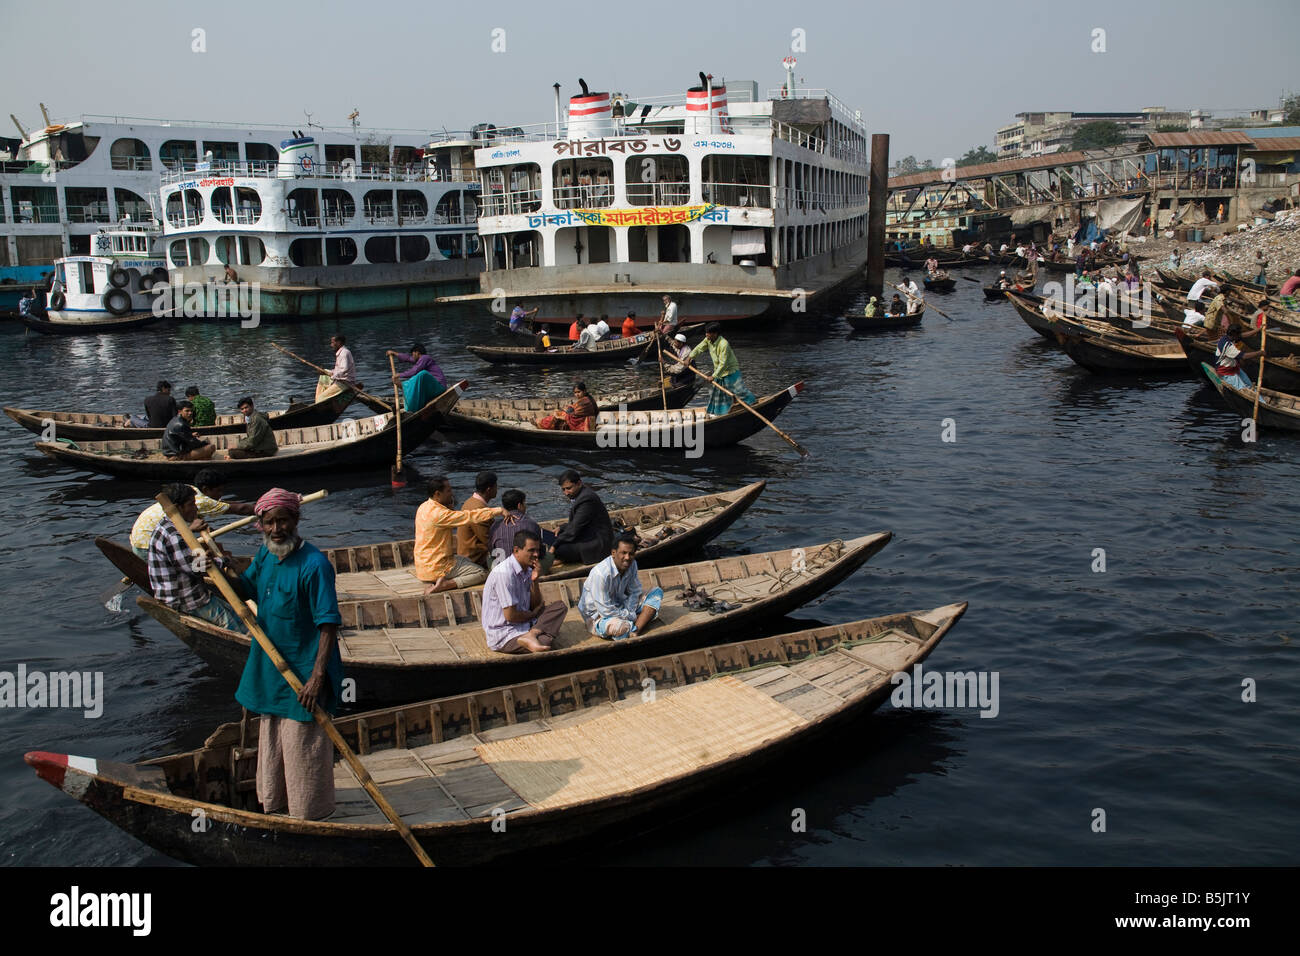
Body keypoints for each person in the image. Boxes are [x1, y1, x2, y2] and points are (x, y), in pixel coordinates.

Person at [229, 489, 344, 821]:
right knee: (274, 736)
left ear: (296, 520)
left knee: (302, 744)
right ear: (261, 525)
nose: (276, 528)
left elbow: (328, 624)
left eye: (282, 521)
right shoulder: (265, 555)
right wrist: (220, 570)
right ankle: (276, 803)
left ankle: (311, 812)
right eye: (269, 522)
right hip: (271, 664)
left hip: (304, 670)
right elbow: (246, 589)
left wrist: (317, 677)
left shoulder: (315, 565)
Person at [146, 483, 245, 631]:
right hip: (185, 600)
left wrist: (208, 556)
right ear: (178, 508)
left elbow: (190, 562)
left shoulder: (166, 525)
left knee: (238, 615)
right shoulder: (173, 535)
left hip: (187, 593)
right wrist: (223, 561)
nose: (196, 508)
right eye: (191, 504)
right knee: (240, 628)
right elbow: (196, 568)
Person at [130, 469, 255, 559]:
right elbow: (241, 509)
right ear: (205, 489)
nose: (220, 495)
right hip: (147, 548)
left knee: (212, 543)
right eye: (219, 491)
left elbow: (220, 505)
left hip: (138, 541)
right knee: (206, 556)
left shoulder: (190, 491)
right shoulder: (199, 501)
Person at [481, 530, 568, 654]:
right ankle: (534, 636)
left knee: (560, 607)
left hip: (525, 625)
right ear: (516, 550)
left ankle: (531, 635)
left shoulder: (527, 570)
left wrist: (535, 580)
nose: (536, 554)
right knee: (545, 642)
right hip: (505, 635)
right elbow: (511, 616)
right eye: (531, 550)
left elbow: (535, 605)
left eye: (537, 550)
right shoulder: (504, 574)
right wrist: (533, 614)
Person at [414, 476, 506, 593]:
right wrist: (498, 510)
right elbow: (469, 517)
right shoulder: (440, 514)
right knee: (482, 573)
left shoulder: (423, 507)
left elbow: (447, 523)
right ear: (437, 494)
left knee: (466, 560)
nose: (451, 494)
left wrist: (450, 509)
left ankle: (442, 579)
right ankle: (446, 584)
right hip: (438, 567)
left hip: (423, 566)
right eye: (448, 491)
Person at [577, 534, 663, 640]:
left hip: (620, 605)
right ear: (613, 553)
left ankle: (635, 630)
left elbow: (634, 591)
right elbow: (606, 611)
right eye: (623, 553)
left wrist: (630, 612)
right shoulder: (601, 574)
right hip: (597, 616)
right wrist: (631, 616)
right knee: (620, 626)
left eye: (631, 554)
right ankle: (635, 624)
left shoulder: (632, 564)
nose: (627, 558)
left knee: (656, 592)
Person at [688, 322, 756, 415]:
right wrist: (690, 357)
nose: (706, 335)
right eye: (706, 333)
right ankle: (722, 412)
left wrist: (714, 376)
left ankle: (752, 403)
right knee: (719, 395)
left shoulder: (724, 344)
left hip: (729, 370)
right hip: (719, 371)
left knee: (739, 390)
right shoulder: (708, 340)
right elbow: (699, 348)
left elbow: (723, 364)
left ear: (715, 334)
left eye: (708, 333)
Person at [550, 470, 614, 568]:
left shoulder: (587, 499)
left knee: (559, 549)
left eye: (568, 488)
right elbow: (580, 521)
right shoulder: (581, 495)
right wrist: (562, 527)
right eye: (563, 490)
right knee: (554, 539)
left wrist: (555, 545)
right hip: (588, 533)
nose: (566, 493)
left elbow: (574, 529)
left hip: (598, 542)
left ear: (579, 483)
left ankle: (562, 558)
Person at [489, 489, 544, 569]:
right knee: (549, 556)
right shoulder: (531, 524)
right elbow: (539, 552)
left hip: (502, 569)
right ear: (519, 505)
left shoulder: (495, 526)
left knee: (489, 559)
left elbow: (492, 551)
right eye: (524, 503)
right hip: (527, 568)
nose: (525, 506)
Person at [457, 471, 498, 569]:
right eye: (496, 486)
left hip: (468, 555)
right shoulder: (479, 510)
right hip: (475, 560)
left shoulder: (470, 502)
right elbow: (488, 541)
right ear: (489, 489)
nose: (497, 489)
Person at [1215, 323, 1264, 390]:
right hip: (1226, 372)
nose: (1240, 335)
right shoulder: (1227, 346)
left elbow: (1243, 335)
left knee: (1250, 386)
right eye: (1239, 334)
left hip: (1234, 368)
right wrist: (1259, 353)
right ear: (1235, 334)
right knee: (1243, 389)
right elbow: (1244, 356)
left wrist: (1258, 329)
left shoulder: (1229, 337)